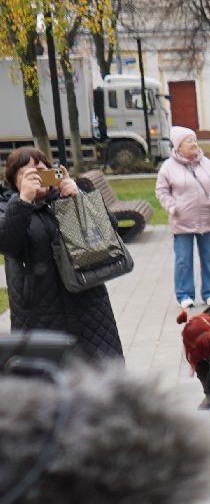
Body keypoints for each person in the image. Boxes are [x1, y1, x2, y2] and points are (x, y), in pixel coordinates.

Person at [0, 149, 123, 360]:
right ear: (13, 180)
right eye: (28, 173)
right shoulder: (6, 206)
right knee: (47, 380)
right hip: (39, 309)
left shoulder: (63, 198)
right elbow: (8, 244)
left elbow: (109, 229)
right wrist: (23, 202)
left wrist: (79, 198)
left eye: (42, 170)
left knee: (101, 375)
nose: (37, 177)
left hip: (88, 303)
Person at [156, 125, 210, 309]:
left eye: (194, 140)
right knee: (183, 260)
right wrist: (171, 206)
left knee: (209, 258)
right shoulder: (168, 167)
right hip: (182, 221)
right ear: (178, 147)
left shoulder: (206, 163)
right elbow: (161, 190)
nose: (194, 143)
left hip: (207, 219)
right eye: (189, 141)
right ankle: (184, 295)